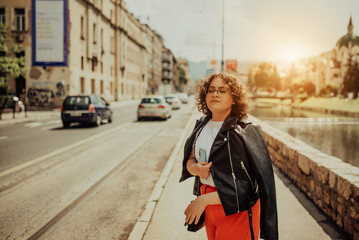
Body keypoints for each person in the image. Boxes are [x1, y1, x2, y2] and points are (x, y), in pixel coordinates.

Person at [180, 73, 278, 240]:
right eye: (211, 90)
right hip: (210, 207)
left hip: (236, 210)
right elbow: (190, 161)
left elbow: (249, 187)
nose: (215, 94)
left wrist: (203, 201)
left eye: (222, 90)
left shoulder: (246, 131)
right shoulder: (201, 126)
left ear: (234, 98)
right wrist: (195, 169)